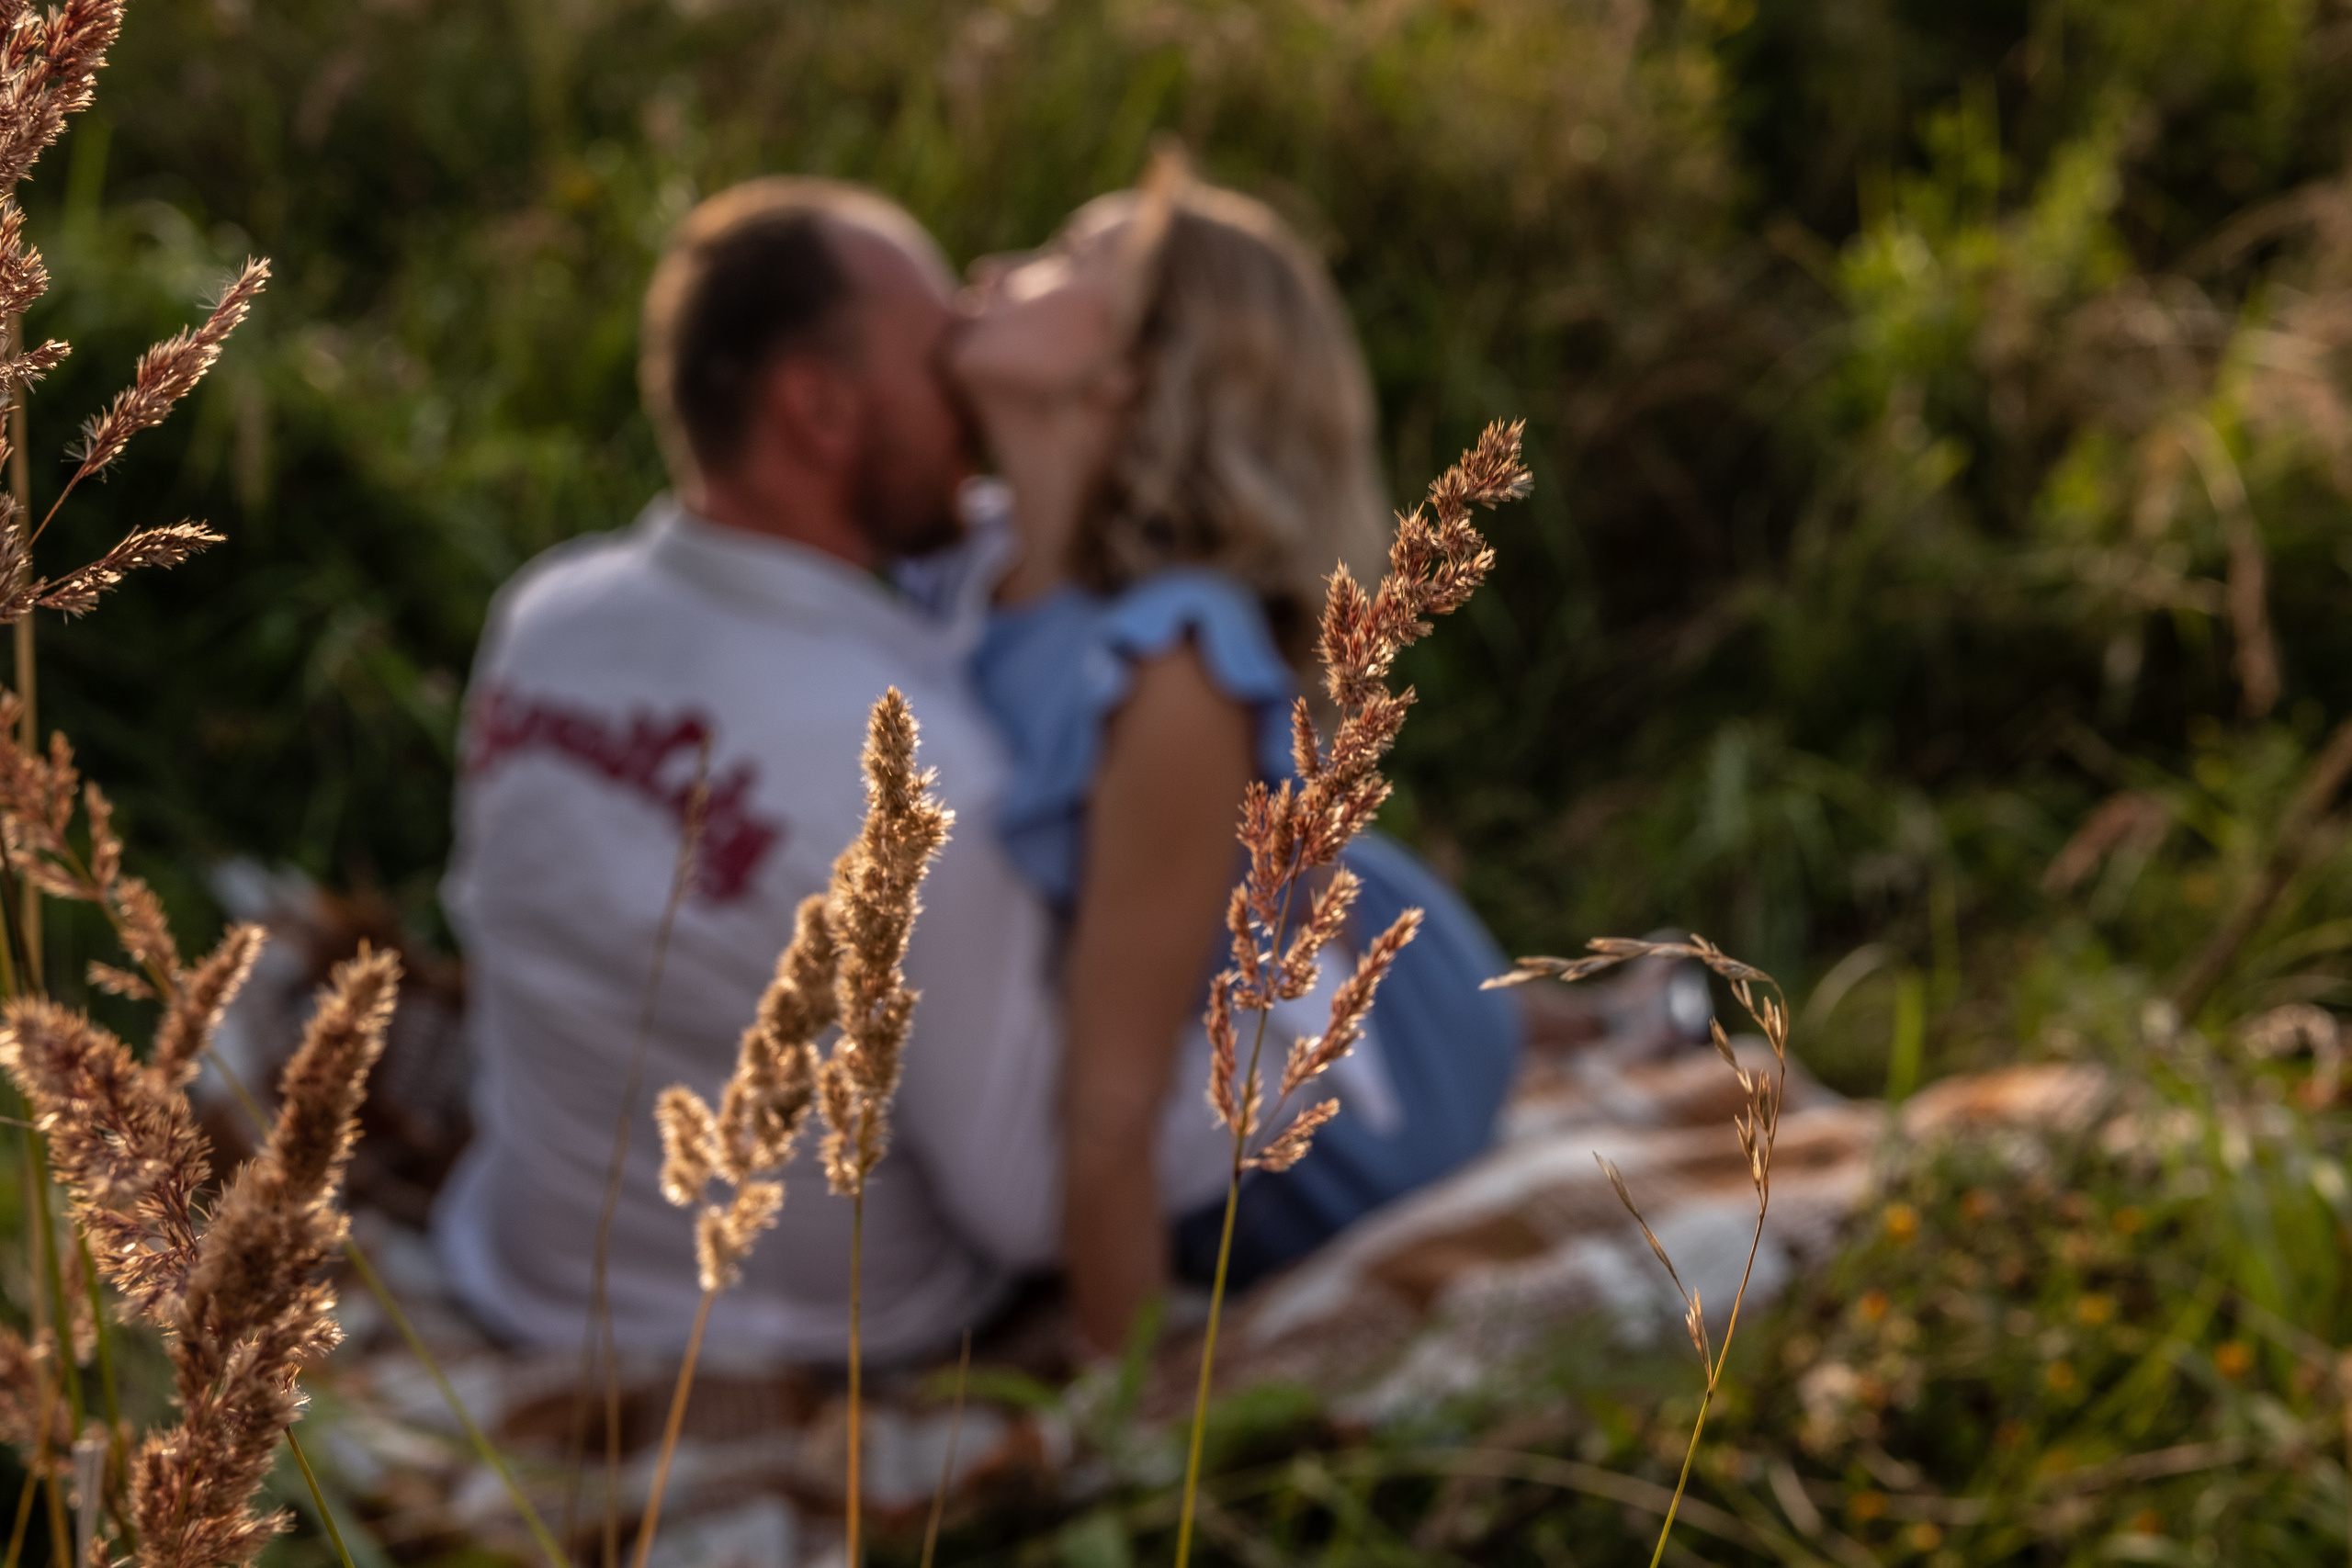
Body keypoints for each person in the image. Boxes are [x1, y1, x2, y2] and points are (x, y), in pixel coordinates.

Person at [432, 178, 1071, 1361]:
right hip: (814, 1336)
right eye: (942, 366)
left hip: (521, 1272)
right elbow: (1027, 1207)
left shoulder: (548, 611)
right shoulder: (911, 761)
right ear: (820, 408)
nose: (971, 407)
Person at [949, 164, 1525, 1358]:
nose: (996, 269)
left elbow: (1114, 1108)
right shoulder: (965, 558)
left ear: (1136, 373)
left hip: (1351, 1108)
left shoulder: (1174, 668)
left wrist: (1121, 1427)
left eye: (1069, 255)